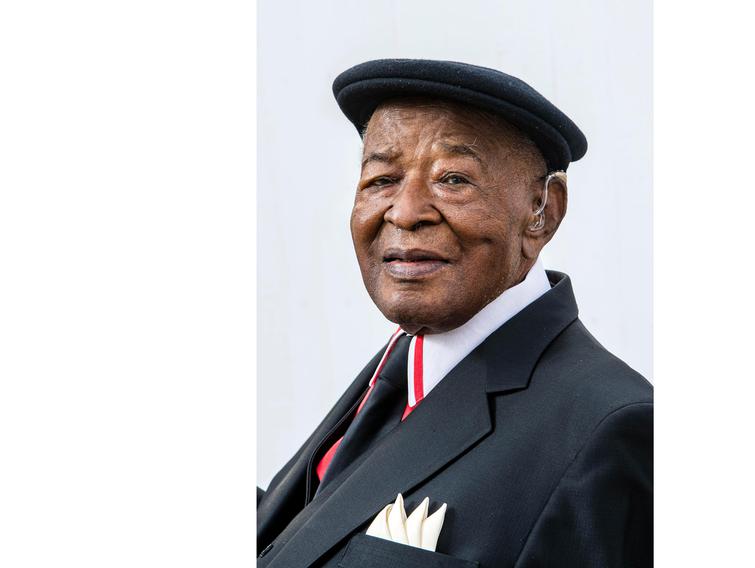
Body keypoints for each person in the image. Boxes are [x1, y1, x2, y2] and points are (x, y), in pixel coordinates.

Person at [257, 59, 653, 567]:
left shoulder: (613, 431)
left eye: (452, 179)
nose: (404, 211)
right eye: (381, 179)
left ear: (543, 211)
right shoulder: (402, 368)